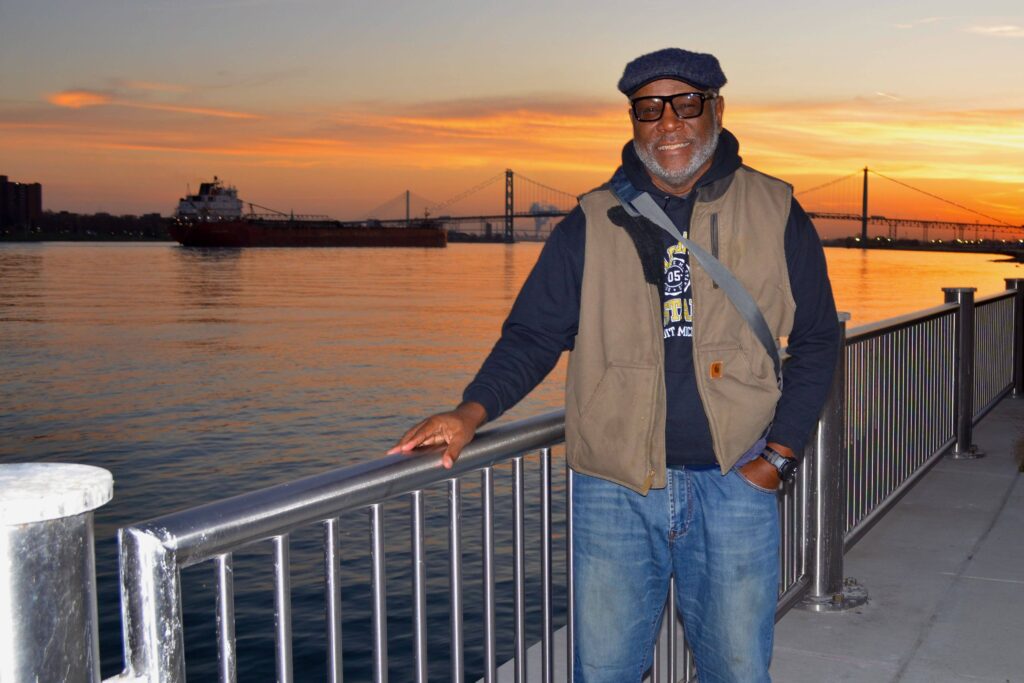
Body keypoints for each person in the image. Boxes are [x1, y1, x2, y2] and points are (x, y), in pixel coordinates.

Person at [390, 47, 839, 683]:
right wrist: (470, 411)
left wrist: (780, 457)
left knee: (738, 671)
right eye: (650, 109)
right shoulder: (590, 221)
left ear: (716, 108)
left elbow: (818, 340)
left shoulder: (776, 211)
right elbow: (531, 337)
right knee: (603, 671)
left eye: (686, 103)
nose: (669, 124)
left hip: (736, 479)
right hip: (614, 490)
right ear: (633, 120)